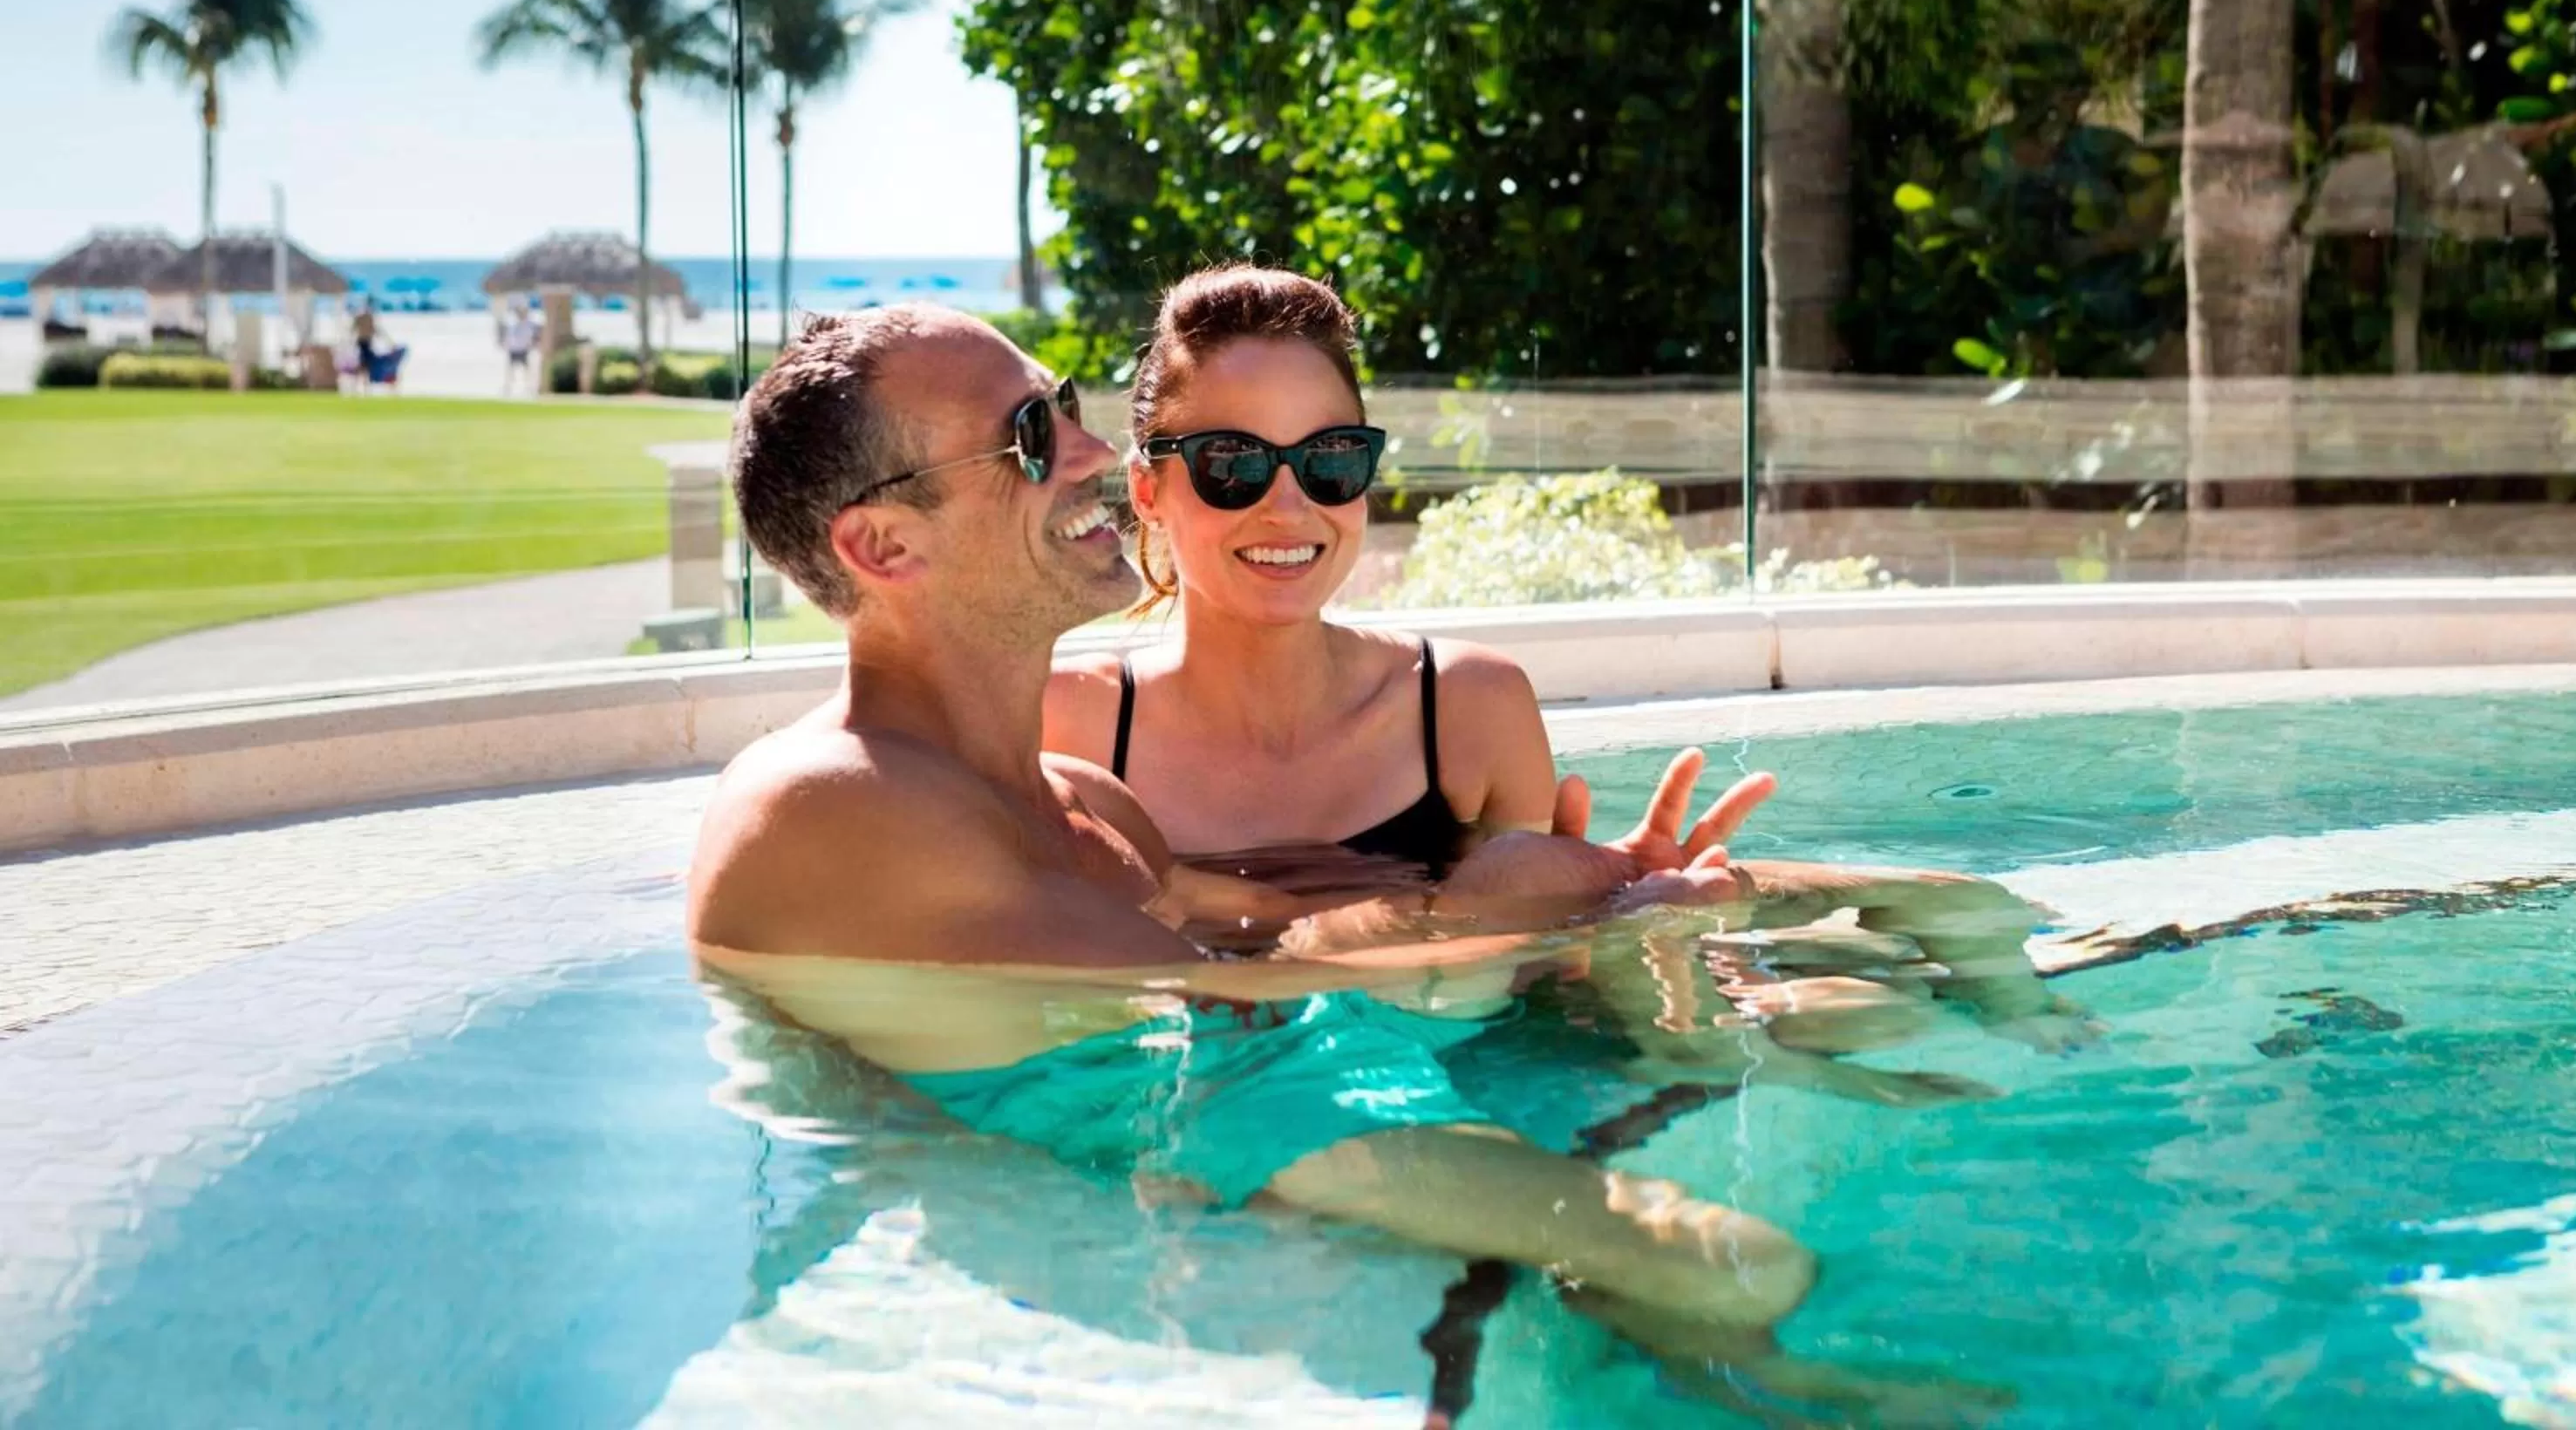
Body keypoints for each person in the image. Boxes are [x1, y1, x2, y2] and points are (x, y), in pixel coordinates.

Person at [689, 307, 1852, 1379]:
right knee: (1733, 1261)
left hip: (1254, 1083)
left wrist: (1615, 898)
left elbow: (1276, 939)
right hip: (1190, 1121)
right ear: (886, 549)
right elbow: (1198, 995)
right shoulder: (825, 806)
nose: (1099, 457)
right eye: (1034, 438)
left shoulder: (1085, 799)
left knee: (1753, 1187)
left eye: (1074, 405)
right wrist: (1482, 905)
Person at [1044, 263, 2089, 1049]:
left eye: (1330, 460)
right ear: (1148, 488)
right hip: (1261, 1085)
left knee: (1884, 970)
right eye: (1232, 464)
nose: (1290, 505)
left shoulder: (1465, 703)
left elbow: (1541, 990)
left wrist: (1624, 906)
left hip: (1453, 1051)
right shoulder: (1074, 726)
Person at [499, 301, 541, 396]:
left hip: (523, 350)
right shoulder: (513, 324)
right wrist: (506, 345)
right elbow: (508, 337)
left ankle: (530, 388)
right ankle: (508, 388)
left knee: (527, 371)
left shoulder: (530, 324)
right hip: (514, 350)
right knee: (510, 371)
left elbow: (536, 334)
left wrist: (534, 344)